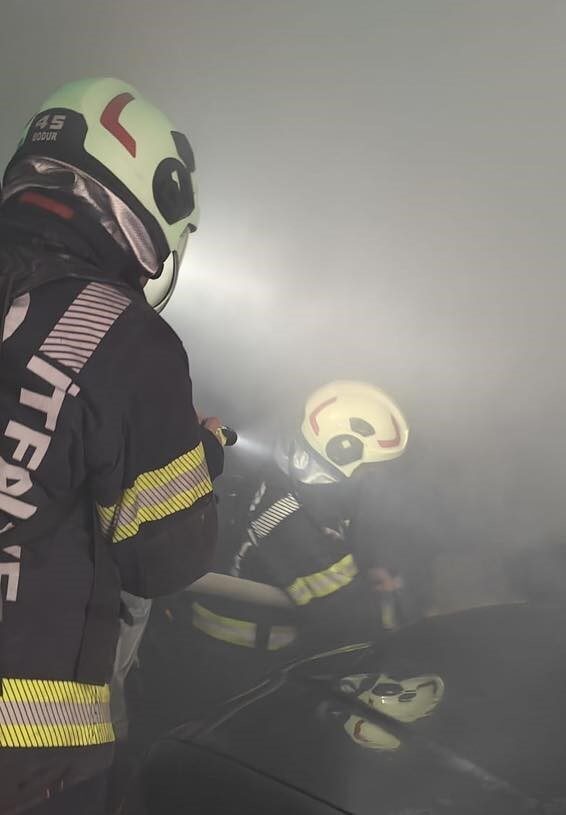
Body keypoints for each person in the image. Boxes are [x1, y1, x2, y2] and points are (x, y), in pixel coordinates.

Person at [0, 77, 225, 814]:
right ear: (153, 197)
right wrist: (198, 459)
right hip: (29, 757)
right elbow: (164, 556)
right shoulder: (124, 335)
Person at [138, 382, 413, 728]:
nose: (379, 482)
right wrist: (402, 610)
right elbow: (355, 620)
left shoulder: (290, 491)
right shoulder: (288, 521)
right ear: (342, 453)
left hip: (225, 662)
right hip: (234, 675)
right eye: (374, 471)